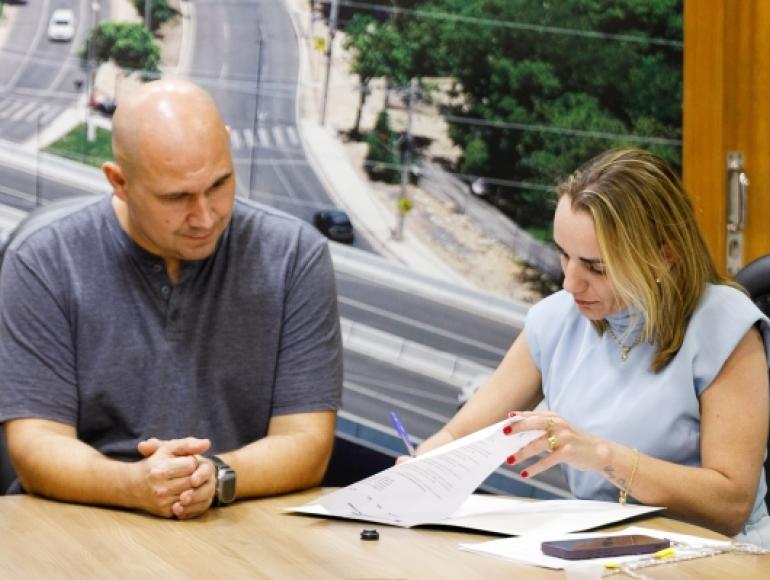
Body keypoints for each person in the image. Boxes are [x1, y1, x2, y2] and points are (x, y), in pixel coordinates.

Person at [0, 80, 343, 519]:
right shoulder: (46, 258)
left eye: (220, 184)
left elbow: (307, 442)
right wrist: (135, 486)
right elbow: (36, 443)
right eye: (176, 197)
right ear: (119, 182)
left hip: (232, 520)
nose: (205, 216)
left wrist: (212, 476)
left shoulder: (294, 256)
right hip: (82, 519)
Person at [417, 148, 770, 546]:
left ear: (664, 256)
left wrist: (605, 456)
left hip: (720, 554)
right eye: (564, 255)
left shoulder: (724, 324)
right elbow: (460, 434)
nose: (570, 283)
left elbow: (730, 505)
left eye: (596, 267)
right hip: (605, 550)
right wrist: (420, 469)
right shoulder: (555, 320)